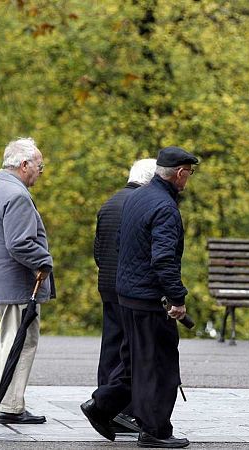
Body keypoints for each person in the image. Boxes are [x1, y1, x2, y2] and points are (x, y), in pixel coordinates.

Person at [81, 146, 198, 449]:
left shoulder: (136, 199)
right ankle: (155, 430)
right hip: (149, 299)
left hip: (127, 296)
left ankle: (102, 405)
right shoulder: (165, 208)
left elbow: (120, 245)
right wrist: (177, 298)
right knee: (160, 365)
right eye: (190, 173)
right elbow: (163, 259)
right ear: (181, 173)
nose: (189, 179)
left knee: (135, 363)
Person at [0, 137, 55, 424]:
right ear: (24, 165)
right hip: (17, 283)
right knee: (23, 341)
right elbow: (20, 243)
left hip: (0, 282)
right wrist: (44, 261)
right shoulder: (16, 195)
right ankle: (8, 403)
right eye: (39, 166)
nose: (40, 172)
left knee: (11, 338)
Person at [93, 158, 157, 434]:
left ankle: (103, 405)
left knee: (110, 348)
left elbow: (98, 249)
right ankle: (119, 411)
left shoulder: (109, 203)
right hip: (128, 289)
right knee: (131, 351)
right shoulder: (140, 205)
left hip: (106, 283)